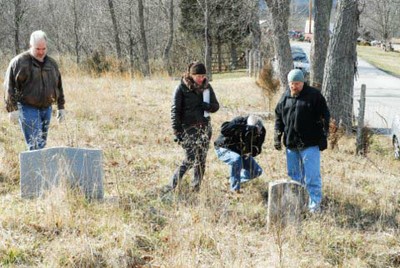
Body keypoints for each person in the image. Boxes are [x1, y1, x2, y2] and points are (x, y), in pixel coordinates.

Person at [274, 69, 330, 213]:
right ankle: (297, 205)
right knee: (294, 178)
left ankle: (314, 208)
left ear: (303, 82)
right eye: (292, 84)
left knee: (312, 177)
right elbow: (278, 117)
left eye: (297, 84)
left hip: (310, 144)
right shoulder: (285, 96)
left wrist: (324, 136)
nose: (294, 87)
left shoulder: (314, 96)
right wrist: (277, 136)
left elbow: (325, 116)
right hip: (291, 144)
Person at [4, 30, 66, 151]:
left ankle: (39, 168)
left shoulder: (52, 64)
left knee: (42, 142)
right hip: (27, 108)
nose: (41, 52)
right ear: (30, 45)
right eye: (38, 49)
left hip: (47, 109)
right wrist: (12, 109)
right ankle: (36, 169)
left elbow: (58, 86)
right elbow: (9, 86)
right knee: (36, 145)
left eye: (44, 49)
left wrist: (61, 107)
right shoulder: (19, 62)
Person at [166, 61, 219, 192]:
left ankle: (195, 188)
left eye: (203, 76)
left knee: (201, 160)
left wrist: (208, 106)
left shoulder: (207, 87)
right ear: (191, 75)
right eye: (198, 76)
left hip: (205, 127)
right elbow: (175, 111)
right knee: (190, 159)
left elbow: (216, 106)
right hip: (188, 128)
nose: (201, 79)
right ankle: (171, 185)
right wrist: (177, 131)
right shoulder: (181, 88)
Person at [214, 114, 266, 193]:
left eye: (258, 130)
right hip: (223, 148)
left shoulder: (262, 131)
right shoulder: (240, 121)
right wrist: (243, 128)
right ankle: (235, 190)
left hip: (240, 151)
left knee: (257, 171)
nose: (256, 132)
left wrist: (250, 149)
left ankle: (234, 179)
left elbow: (257, 150)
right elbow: (224, 130)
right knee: (236, 159)